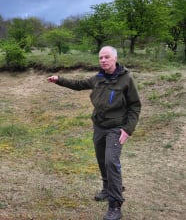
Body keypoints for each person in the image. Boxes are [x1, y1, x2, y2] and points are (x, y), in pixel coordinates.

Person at [47, 46, 141, 220]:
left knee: (111, 161)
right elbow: (78, 84)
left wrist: (128, 129)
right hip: (99, 126)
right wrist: (59, 79)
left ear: (115, 58)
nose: (103, 60)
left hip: (116, 128)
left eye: (106, 57)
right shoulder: (97, 78)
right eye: (100, 58)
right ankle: (107, 188)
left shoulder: (126, 79)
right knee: (101, 160)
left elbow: (135, 105)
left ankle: (115, 204)